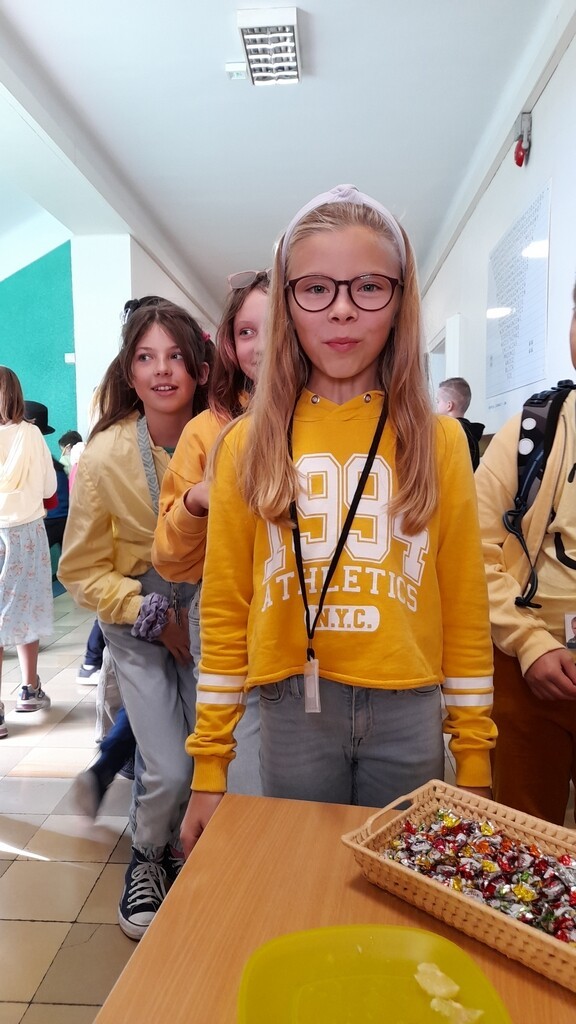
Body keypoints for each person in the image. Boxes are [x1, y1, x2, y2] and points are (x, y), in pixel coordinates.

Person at [179, 183, 496, 858]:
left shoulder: (439, 442)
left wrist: (474, 758)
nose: (343, 309)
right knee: (301, 876)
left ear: (400, 301)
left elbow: (466, 605)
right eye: (317, 288)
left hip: (410, 705)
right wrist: (209, 766)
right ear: (288, 306)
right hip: (291, 707)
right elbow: (226, 609)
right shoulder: (246, 444)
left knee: (401, 886)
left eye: (369, 287)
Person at [58, 299, 211, 938]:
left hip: (210, 613)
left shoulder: (225, 436)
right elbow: (80, 569)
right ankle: (146, 856)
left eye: (175, 356)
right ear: (129, 371)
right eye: (146, 357)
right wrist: (152, 614)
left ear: (201, 367)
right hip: (137, 618)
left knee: (213, 755)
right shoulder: (103, 457)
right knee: (168, 765)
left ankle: (185, 847)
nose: (162, 370)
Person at [152, 270, 269, 795]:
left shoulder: (333, 422)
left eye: (275, 328)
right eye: (245, 332)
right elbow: (169, 558)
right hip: (228, 617)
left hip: (318, 623)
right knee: (244, 780)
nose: (260, 346)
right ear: (229, 344)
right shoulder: (207, 430)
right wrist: (197, 500)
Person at [475, 278, 576, 826]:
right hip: (526, 666)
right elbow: (473, 548)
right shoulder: (535, 428)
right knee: (522, 832)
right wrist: (529, 642)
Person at [0, 374, 56, 739]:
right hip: (26, 533)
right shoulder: (31, 434)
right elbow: (49, 486)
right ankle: (29, 689)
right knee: (27, 607)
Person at [436, 377, 484, 470]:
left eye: (438, 401)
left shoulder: (448, 432)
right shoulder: (472, 434)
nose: (436, 406)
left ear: (449, 405)